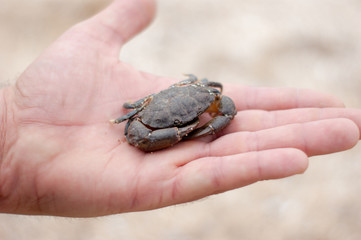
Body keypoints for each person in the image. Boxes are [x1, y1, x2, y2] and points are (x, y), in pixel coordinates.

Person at [0, 0, 360, 217]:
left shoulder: (203, 91)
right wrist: (178, 130)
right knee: (143, 131)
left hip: (178, 96)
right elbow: (134, 129)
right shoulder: (142, 120)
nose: (190, 123)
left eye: (207, 106)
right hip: (154, 114)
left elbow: (223, 104)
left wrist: (206, 126)